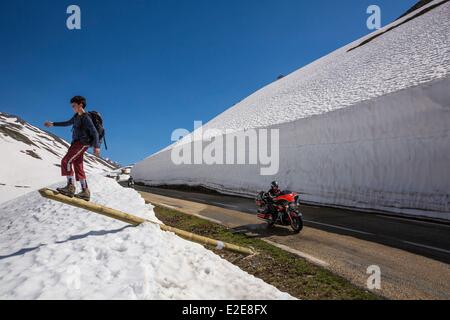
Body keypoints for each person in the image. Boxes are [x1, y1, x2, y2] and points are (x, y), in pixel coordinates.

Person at [44, 96, 100, 201]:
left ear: (80, 105)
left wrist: (97, 146)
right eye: (72, 106)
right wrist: (53, 124)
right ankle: (85, 191)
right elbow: (67, 123)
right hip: (76, 143)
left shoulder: (86, 117)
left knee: (66, 161)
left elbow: (94, 132)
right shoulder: (76, 117)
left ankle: (70, 187)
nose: (72, 108)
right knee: (78, 166)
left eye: (74, 106)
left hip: (82, 143)